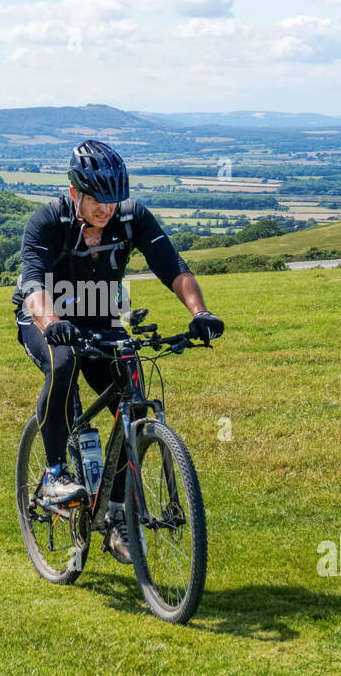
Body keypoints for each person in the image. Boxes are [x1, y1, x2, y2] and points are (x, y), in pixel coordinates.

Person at [12, 139, 224, 563]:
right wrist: (52, 324)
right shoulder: (48, 223)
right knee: (65, 363)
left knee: (133, 400)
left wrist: (200, 312)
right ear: (75, 193)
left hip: (100, 320)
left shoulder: (131, 219)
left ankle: (114, 515)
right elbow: (33, 284)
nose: (106, 209)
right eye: (96, 200)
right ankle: (55, 474)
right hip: (45, 318)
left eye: (113, 199)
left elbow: (173, 267)